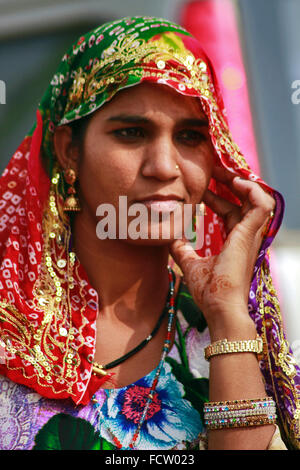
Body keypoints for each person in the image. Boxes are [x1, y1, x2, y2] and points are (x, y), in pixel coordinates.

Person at [0, 16, 298, 451]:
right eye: (132, 133)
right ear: (69, 150)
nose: (163, 166)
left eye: (191, 136)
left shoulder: (225, 328)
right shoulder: (13, 320)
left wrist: (228, 311)